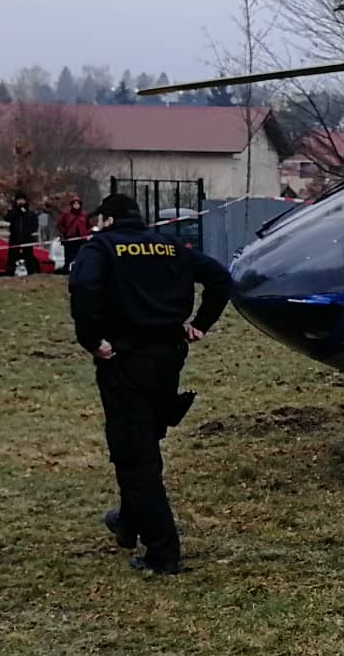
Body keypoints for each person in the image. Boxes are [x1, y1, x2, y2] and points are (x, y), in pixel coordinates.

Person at [69, 193, 232, 576]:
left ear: (108, 219)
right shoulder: (169, 246)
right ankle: (129, 522)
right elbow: (221, 278)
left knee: (135, 454)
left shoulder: (101, 247)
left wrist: (92, 340)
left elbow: (83, 288)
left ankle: (163, 552)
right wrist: (201, 323)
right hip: (168, 358)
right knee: (140, 442)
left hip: (124, 359)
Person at [55, 196, 90, 271]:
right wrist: (64, 231)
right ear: (72, 205)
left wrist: (87, 232)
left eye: (78, 203)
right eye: (74, 203)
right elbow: (59, 224)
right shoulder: (66, 215)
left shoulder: (84, 215)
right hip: (70, 239)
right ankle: (66, 270)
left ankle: (80, 269)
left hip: (81, 239)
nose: (76, 205)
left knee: (81, 255)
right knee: (69, 256)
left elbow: (88, 225)